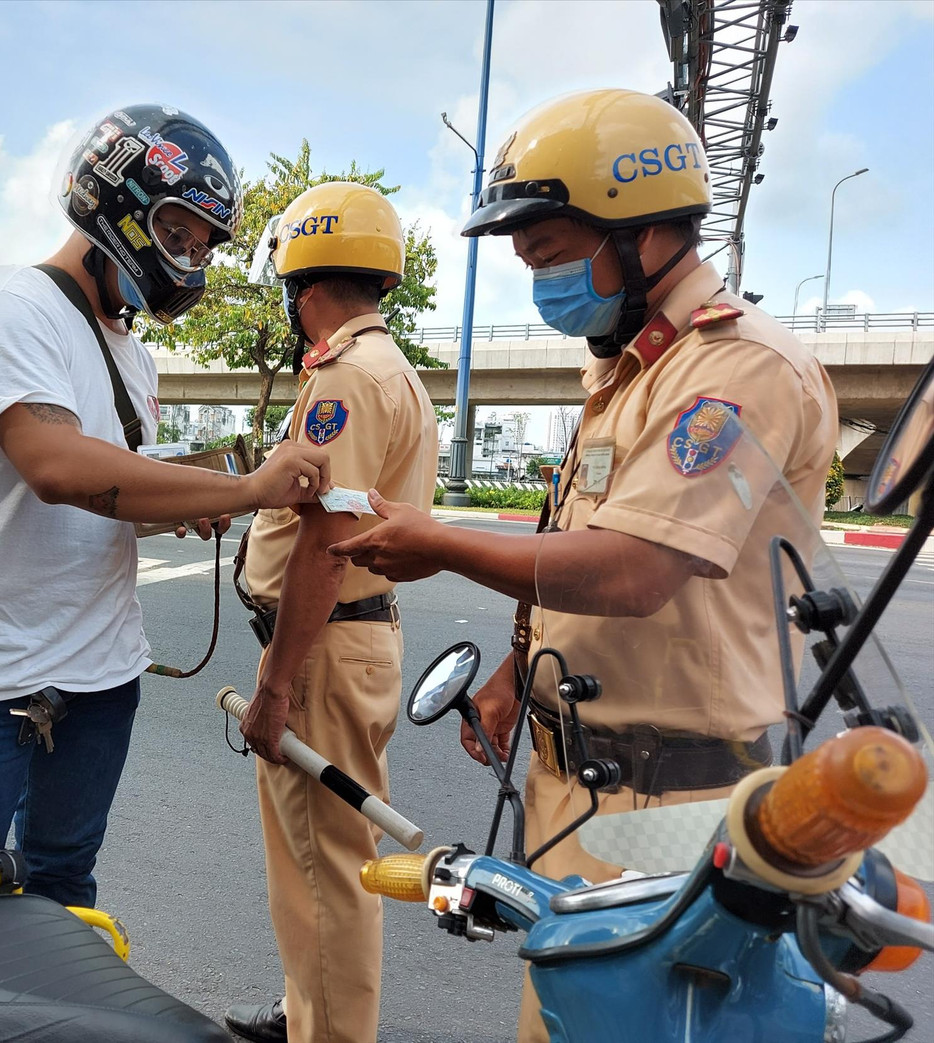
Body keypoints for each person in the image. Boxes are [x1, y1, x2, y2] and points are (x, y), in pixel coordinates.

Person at [327, 88, 838, 1043]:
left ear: (641, 233)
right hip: (582, 786)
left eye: (551, 254)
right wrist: (523, 669)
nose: (538, 281)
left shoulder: (735, 367)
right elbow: (585, 552)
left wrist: (432, 539)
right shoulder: (629, 369)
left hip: (674, 805)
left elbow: (635, 569)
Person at [0, 103, 333, 908]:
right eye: (177, 230)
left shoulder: (136, 356)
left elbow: (115, 487)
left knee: (61, 888)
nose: (190, 257)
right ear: (112, 199)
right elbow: (55, 466)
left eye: (203, 244)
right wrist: (245, 487)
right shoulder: (9, 307)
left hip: (99, 676)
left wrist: (190, 494)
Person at [224, 184, 438, 1043]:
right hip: (350, 640)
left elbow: (326, 541)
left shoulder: (346, 377)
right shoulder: (392, 367)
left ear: (302, 286)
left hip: (318, 650)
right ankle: (302, 1013)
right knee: (323, 863)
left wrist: (276, 685)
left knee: (326, 874)